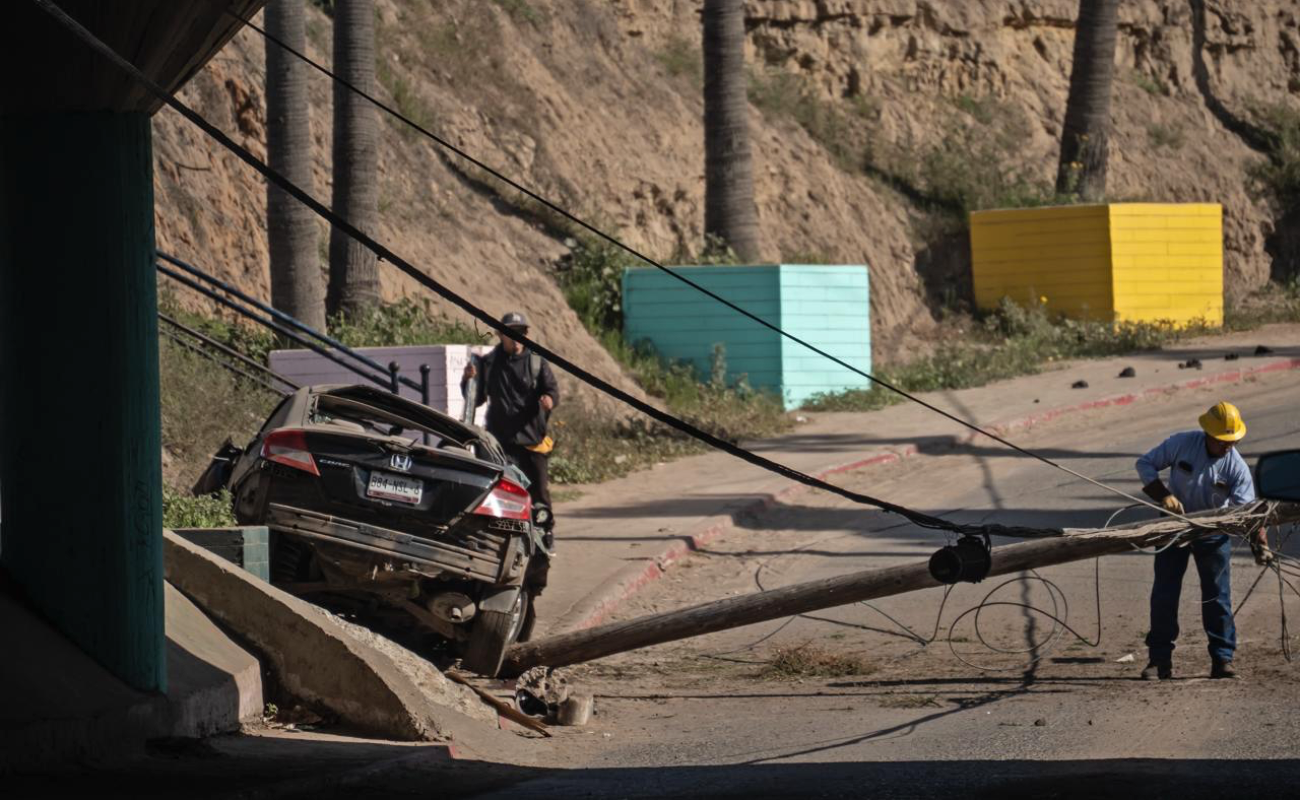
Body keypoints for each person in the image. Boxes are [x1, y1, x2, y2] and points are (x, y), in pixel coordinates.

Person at [1134, 400, 1258, 681]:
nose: (1228, 446)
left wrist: (1254, 538)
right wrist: (1163, 495)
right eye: (1223, 441)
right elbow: (1145, 464)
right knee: (1164, 594)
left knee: (1217, 596)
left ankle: (1222, 659)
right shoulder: (1181, 443)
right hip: (1173, 528)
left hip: (1212, 534)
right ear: (1208, 434)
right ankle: (1159, 660)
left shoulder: (1237, 467)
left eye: (1233, 440)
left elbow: (1244, 510)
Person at [462, 311, 559, 519]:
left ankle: (545, 535)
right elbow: (476, 399)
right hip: (501, 443)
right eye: (511, 332)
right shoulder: (488, 363)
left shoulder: (536, 363)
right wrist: (467, 380)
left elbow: (551, 389)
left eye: (521, 332)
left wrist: (549, 400)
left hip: (533, 441)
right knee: (501, 494)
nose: (517, 337)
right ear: (500, 334)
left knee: (539, 495)